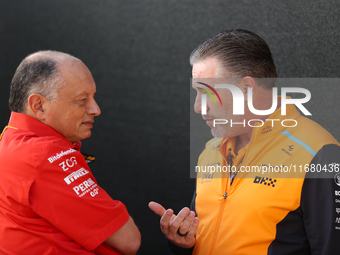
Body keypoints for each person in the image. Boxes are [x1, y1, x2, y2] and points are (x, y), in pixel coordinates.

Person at [149, 29, 340, 254]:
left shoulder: (319, 153)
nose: (198, 107)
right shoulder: (211, 150)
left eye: (207, 93)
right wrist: (183, 243)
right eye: (196, 93)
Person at [0, 50, 141, 255]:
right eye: (82, 100)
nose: (95, 109)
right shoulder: (45, 156)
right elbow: (129, 240)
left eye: (93, 97)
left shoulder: (9, 139)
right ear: (38, 106)